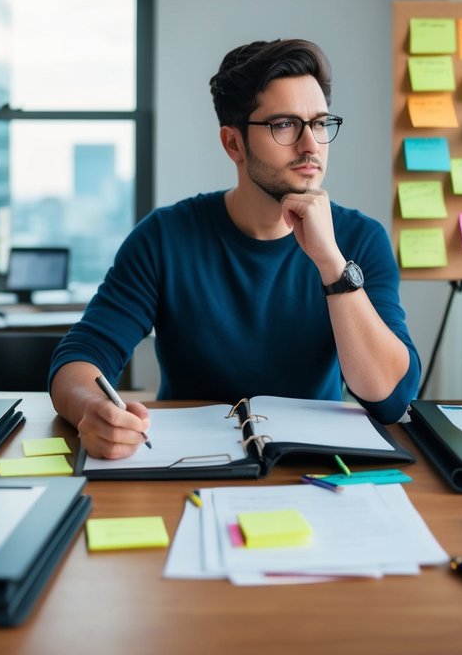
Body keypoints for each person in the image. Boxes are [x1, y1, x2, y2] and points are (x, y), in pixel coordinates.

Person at [49, 39, 421, 458]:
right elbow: (80, 357)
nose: (311, 145)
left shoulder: (360, 239)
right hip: (187, 464)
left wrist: (331, 263)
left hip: (311, 467)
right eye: (284, 125)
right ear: (234, 144)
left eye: (319, 123)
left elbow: (391, 400)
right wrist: (92, 409)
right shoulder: (165, 236)